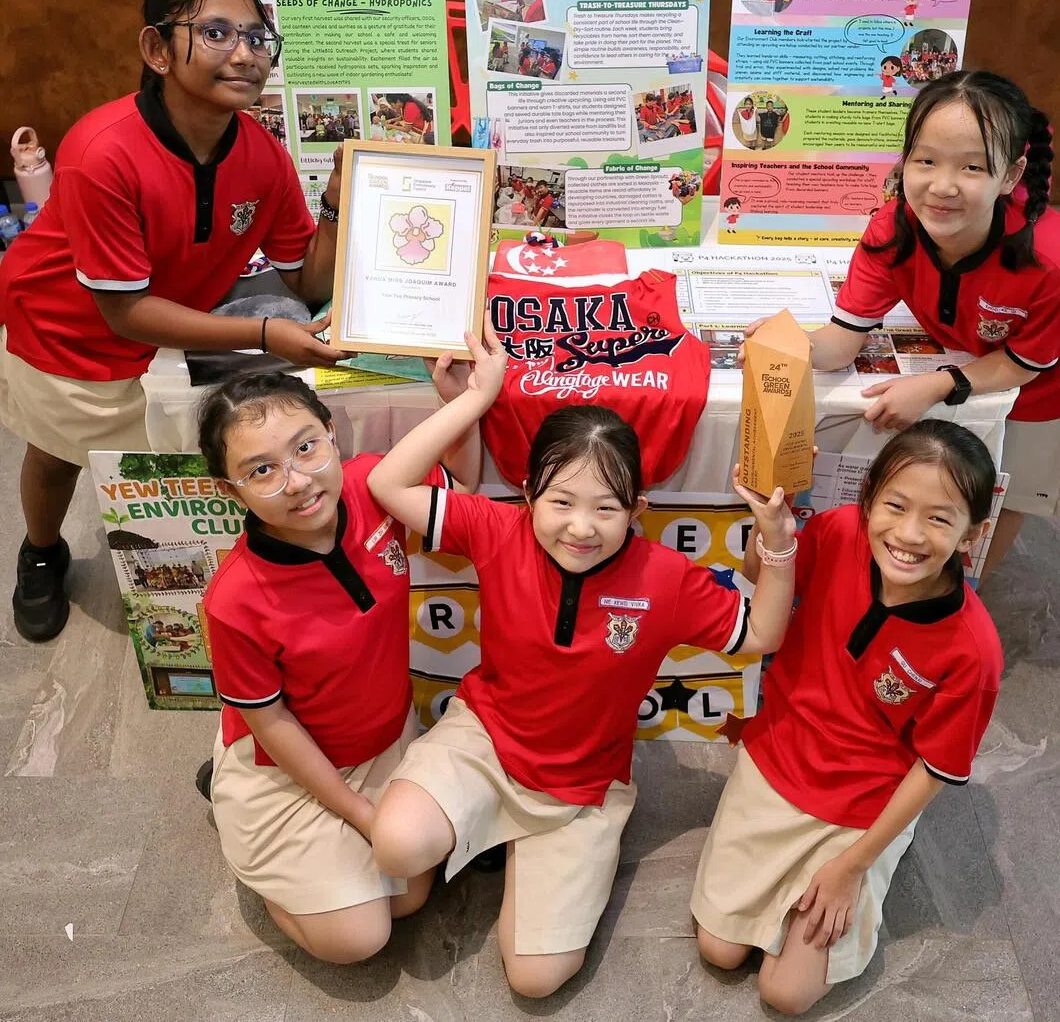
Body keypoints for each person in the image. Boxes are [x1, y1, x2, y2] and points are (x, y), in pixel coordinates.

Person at [366, 318, 795, 998]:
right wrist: (471, 400)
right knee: (396, 845)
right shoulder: (496, 526)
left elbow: (763, 634)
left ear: (639, 509)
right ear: (530, 496)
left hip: (581, 787)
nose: (581, 526)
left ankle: (532, 849)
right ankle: (481, 827)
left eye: (606, 508)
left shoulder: (666, 578)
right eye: (561, 501)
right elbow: (388, 485)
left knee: (536, 981)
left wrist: (777, 546)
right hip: (486, 741)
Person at [0, 0, 350, 643]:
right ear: (157, 51)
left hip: (175, 325)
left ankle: (190, 571)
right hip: (64, 329)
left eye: (257, 36)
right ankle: (40, 552)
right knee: (58, 452)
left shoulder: (263, 154)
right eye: (216, 32)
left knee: (174, 463)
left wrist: (337, 200)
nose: (245, 53)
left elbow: (306, 284)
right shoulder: (103, 150)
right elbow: (123, 311)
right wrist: (268, 333)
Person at [762, 71, 1060, 580]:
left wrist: (935, 385)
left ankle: (963, 603)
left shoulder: (1048, 263)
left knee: (1010, 487)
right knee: (959, 475)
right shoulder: (891, 229)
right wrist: (787, 344)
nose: (943, 186)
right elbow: (843, 341)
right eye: (925, 160)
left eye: (973, 166)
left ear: (1011, 175)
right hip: (977, 343)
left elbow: (1026, 362)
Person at [692, 420, 1003, 1015]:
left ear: (972, 533)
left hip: (862, 805)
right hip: (778, 756)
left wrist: (850, 867)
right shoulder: (836, 532)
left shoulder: (974, 649)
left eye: (939, 518)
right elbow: (760, 581)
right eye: (895, 506)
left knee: (786, 994)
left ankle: (885, 852)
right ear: (866, 502)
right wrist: (773, 530)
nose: (909, 535)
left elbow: (936, 766)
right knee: (718, 949)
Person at [198, 366, 482, 963]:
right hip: (290, 763)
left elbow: (460, 482)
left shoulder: (370, 483)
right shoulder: (233, 599)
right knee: (359, 941)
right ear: (231, 492)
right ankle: (233, 801)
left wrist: (459, 403)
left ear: (332, 434)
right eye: (261, 470)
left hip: (382, 736)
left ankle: (332, 866)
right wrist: (358, 814)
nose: (297, 481)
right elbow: (271, 723)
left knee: (406, 898)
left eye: (306, 447)